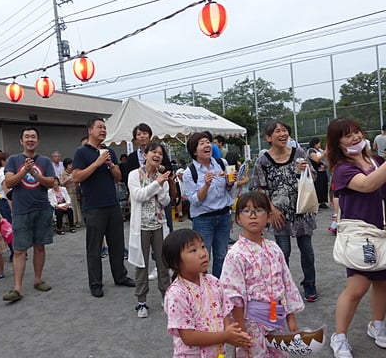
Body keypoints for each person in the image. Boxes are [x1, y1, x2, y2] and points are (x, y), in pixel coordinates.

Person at [326, 117, 386, 357]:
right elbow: (368, 184)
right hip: (362, 236)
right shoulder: (342, 169)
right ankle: (339, 336)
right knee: (357, 287)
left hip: (381, 231)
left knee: (382, 282)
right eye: (348, 135)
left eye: (358, 132)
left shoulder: (376, 160)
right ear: (338, 142)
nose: (356, 137)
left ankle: (377, 325)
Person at [220, 192, 305, 357]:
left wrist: (290, 317)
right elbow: (234, 294)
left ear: (268, 217)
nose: (253, 216)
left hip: (276, 317)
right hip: (251, 321)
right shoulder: (236, 254)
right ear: (238, 218)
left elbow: (286, 283)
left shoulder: (274, 248)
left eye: (258, 210)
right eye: (246, 211)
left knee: (279, 353)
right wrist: (240, 328)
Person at [249, 120, 318, 303]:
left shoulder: (299, 153)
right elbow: (257, 188)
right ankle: (282, 286)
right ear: (268, 137)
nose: (283, 134)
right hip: (278, 214)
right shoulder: (263, 160)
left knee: (307, 250)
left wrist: (304, 171)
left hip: (301, 209)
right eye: (277, 131)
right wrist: (272, 211)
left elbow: (314, 176)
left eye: (285, 130)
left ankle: (310, 284)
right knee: (282, 252)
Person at [162, 228, 252, 357]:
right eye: (193, 250)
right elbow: (189, 337)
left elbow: (225, 311)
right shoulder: (177, 293)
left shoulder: (213, 281)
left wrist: (230, 332)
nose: (203, 253)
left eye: (203, 247)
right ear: (176, 262)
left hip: (218, 352)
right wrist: (224, 336)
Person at [72, 118, 135, 298]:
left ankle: (120, 276)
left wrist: (110, 164)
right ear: (90, 130)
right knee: (94, 247)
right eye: (100, 127)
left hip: (112, 204)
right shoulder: (81, 152)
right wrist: (97, 163)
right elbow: (76, 177)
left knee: (117, 244)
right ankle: (95, 283)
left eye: (104, 128)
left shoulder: (109, 152)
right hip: (93, 207)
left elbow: (118, 176)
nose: (103, 130)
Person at [2, 127, 55, 302]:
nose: (30, 139)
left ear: (37, 141)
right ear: (21, 140)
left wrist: (35, 174)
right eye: (27, 137)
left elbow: (50, 183)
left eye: (33, 137)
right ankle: (17, 288)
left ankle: (38, 280)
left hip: (42, 209)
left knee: (40, 246)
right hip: (21, 210)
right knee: (19, 250)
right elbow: (9, 182)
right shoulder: (13, 160)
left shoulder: (45, 161)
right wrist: (24, 170)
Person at [181, 132, 235, 278]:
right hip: (203, 219)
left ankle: (219, 286)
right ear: (194, 151)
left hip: (223, 215)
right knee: (202, 257)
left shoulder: (221, 163)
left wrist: (230, 182)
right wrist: (206, 184)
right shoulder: (189, 173)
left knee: (221, 255)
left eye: (207, 142)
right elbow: (194, 200)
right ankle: (205, 289)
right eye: (202, 143)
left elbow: (228, 188)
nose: (207, 146)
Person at [128, 142, 171, 318]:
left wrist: (159, 184)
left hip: (159, 225)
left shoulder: (162, 176)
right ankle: (141, 302)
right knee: (141, 264)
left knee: (163, 263)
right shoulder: (134, 175)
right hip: (141, 226)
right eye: (153, 152)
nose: (157, 155)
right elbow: (138, 196)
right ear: (145, 155)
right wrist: (156, 184)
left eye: (160, 153)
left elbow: (166, 201)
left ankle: (165, 296)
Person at [59, 158, 82, 228]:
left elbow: (79, 181)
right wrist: (67, 180)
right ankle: (68, 222)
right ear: (66, 165)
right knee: (69, 208)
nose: (71, 166)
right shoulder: (62, 173)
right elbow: (60, 184)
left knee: (76, 208)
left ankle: (77, 221)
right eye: (70, 164)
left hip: (75, 192)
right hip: (67, 193)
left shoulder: (74, 172)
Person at [307, 138, 329, 209]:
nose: (319, 145)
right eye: (318, 143)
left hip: (322, 170)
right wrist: (324, 154)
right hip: (316, 171)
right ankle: (317, 202)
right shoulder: (311, 150)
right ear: (315, 144)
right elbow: (316, 159)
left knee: (323, 186)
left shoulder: (319, 150)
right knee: (318, 186)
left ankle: (323, 201)